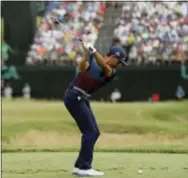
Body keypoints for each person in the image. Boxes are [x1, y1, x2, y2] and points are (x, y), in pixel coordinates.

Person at [63, 41, 127, 177]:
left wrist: (93, 50)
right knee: (90, 132)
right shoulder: (92, 58)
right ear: (113, 57)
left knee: (93, 132)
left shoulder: (112, 71)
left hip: (81, 98)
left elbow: (105, 66)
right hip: (74, 97)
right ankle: (84, 167)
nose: (119, 65)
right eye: (119, 61)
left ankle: (79, 166)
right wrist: (87, 53)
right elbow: (81, 68)